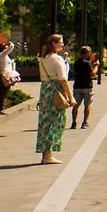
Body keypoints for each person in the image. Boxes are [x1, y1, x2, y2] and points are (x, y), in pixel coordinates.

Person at [36, 34, 74, 165]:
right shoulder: (57, 59)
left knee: (45, 122)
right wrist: (70, 97)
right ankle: (48, 156)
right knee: (56, 122)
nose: (62, 45)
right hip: (55, 91)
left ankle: (45, 154)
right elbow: (63, 79)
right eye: (60, 43)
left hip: (45, 90)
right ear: (53, 44)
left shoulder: (42, 58)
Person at [70, 46, 95, 130]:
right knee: (87, 105)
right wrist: (97, 66)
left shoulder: (76, 62)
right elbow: (93, 73)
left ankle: (74, 122)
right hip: (87, 86)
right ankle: (84, 122)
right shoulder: (87, 63)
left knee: (75, 106)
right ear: (87, 53)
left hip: (77, 86)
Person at [0, 40, 17, 114]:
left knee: (2, 91)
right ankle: (0, 109)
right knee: (4, 91)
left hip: (1, 75)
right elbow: (12, 46)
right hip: (5, 75)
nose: (7, 48)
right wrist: (10, 43)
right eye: (5, 47)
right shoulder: (3, 54)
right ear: (3, 49)